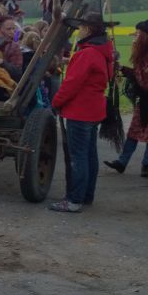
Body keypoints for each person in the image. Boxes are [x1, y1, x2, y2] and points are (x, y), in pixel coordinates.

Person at [49, 11, 116, 212]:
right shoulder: (104, 52)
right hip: (93, 110)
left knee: (78, 157)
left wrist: (56, 102)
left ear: (88, 29)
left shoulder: (87, 53)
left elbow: (71, 84)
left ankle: (74, 200)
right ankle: (86, 195)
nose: (79, 30)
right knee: (88, 155)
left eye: (81, 27)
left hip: (80, 111)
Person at [104, 19, 148, 178]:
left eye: (139, 34)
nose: (136, 36)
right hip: (144, 97)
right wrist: (121, 68)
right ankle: (122, 162)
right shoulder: (142, 52)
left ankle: (147, 164)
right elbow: (138, 75)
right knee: (134, 132)